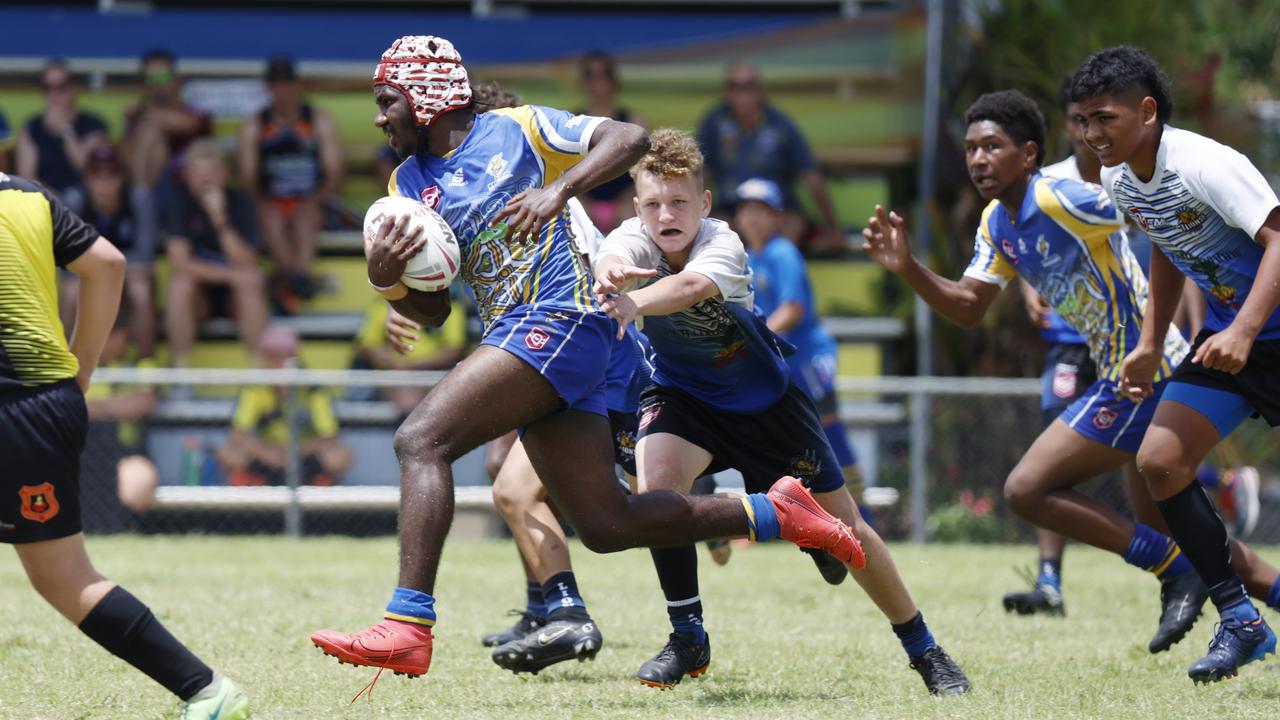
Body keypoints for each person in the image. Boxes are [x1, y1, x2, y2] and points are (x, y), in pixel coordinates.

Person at [309, 35, 862, 682]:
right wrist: (387, 276)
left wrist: (559, 188)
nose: (379, 117)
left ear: (425, 97)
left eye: (387, 101)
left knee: (420, 440)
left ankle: (407, 624)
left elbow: (628, 137)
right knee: (605, 523)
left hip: (565, 316)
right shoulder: (406, 183)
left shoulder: (516, 130)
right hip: (522, 333)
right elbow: (434, 311)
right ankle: (780, 513)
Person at [861, 88, 1280, 658]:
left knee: (1028, 488)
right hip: (1123, 371)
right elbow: (968, 305)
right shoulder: (997, 225)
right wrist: (907, 266)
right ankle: (1217, 581)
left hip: (1143, 372)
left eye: (993, 146)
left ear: (1029, 154)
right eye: (971, 149)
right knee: (1185, 530)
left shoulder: (1062, 196)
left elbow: (1147, 221)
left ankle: (1176, 570)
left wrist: (1159, 332)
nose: (979, 159)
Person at [594, 129, 968, 695]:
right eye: (652, 203)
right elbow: (617, 254)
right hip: (681, 397)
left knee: (850, 531)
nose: (665, 214)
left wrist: (632, 301)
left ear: (706, 204)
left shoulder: (725, 244)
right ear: (637, 206)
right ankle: (687, 638)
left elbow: (692, 287)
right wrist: (611, 268)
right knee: (657, 495)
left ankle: (926, 652)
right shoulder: (633, 236)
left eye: (679, 202)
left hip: (764, 403)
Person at [0, 172, 248, 718]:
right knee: (65, 580)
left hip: (17, 410)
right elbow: (109, 264)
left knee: (66, 581)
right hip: (46, 401)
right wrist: (82, 364)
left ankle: (207, 692)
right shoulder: (25, 193)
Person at [1071, 46, 1280, 682]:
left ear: (1147, 111)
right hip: (1227, 342)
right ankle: (1241, 620)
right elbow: (1168, 244)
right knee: (1160, 461)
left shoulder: (1205, 164)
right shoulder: (1119, 178)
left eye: (1104, 118)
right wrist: (1151, 341)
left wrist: (1246, 327)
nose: (1092, 135)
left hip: (1255, 334)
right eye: (1083, 121)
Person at [732, 176, 862, 583]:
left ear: (777, 217)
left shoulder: (782, 251)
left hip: (807, 358)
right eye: (746, 209)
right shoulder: (749, 256)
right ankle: (793, 519)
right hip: (782, 361)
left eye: (760, 210)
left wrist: (755, 339)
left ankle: (862, 519)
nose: (751, 217)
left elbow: (793, 309)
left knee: (828, 435)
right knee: (787, 438)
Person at [696, 60, 842, 254]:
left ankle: (776, 280)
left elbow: (810, 175)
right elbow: (701, 174)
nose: (742, 94)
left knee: (790, 233)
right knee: (717, 232)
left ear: (760, 90)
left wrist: (833, 227)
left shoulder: (780, 125)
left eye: (748, 86)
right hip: (732, 210)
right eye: (735, 87)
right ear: (727, 92)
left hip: (778, 211)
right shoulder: (714, 123)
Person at [237, 56, 344, 313]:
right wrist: (264, 200)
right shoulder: (255, 124)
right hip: (272, 199)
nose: (282, 92)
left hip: (312, 198)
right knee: (270, 215)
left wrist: (317, 199)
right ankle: (299, 281)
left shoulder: (317, 120)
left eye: (287, 85)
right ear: (268, 88)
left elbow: (335, 171)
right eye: (276, 85)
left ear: (298, 86)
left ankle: (288, 283)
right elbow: (247, 175)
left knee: (306, 215)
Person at [163, 138, 269, 371]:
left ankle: (258, 372)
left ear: (223, 173)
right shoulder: (178, 202)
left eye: (211, 172)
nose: (205, 179)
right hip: (199, 297)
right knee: (181, 284)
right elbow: (180, 263)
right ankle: (182, 372)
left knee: (250, 284)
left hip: (235, 298)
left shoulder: (241, 202)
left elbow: (247, 260)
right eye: (198, 172)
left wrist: (219, 219)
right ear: (187, 174)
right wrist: (232, 276)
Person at [217, 324, 352, 487]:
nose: (276, 363)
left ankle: (317, 492)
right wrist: (266, 452)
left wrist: (295, 452)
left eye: (282, 356)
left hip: (304, 457)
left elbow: (329, 436)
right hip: (265, 456)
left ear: (295, 358)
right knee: (228, 454)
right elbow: (237, 433)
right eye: (270, 356)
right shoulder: (255, 389)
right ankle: (251, 492)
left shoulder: (313, 390)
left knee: (340, 456)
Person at [62, 143, 159, 358]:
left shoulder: (139, 198)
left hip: (130, 271)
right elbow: (65, 254)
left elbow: (145, 253)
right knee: (70, 291)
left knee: (141, 290)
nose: (104, 182)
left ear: (122, 176)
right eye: (97, 174)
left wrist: (108, 268)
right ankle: (67, 362)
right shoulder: (74, 200)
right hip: (89, 271)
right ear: (87, 178)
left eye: (111, 174)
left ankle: (147, 359)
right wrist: (103, 269)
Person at [80, 304, 160, 535]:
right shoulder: (76, 366)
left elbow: (141, 404)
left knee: (138, 483)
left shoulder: (142, 366)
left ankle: (121, 529)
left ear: (124, 334)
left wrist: (94, 408)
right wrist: (112, 408)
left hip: (125, 452)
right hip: (79, 452)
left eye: (111, 333)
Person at [350, 293, 467, 416]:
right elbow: (367, 346)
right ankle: (411, 426)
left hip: (433, 374)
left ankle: (408, 427)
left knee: (410, 390)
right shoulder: (384, 303)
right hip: (391, 374)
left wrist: (416, 365)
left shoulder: (449, 305)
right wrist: (396, 364)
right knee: (404, 386)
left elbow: (454, 351)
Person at [121, 48, 212, 190]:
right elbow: (124, 160)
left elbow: (189, 124)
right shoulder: (138, 117)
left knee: (150, 129)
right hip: (148, 185)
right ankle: (141, 199)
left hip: (188, 186)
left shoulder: (194, 110)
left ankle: (141, 200)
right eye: (151, 78)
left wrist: (144, 112)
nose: (157, 83)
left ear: (176, 79)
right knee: (148, 132)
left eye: (162, 77)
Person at [576, 51, 644, 234]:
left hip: (625, 200)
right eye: (590, 75)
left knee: (634, 217)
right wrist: (579, 197)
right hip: (584, 199)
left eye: (603, 74)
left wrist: (630, 196)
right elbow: (561, 170)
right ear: (584, 81)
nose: (597, 81)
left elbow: (645, 169)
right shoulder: (572, 121)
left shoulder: (633, 121)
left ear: (613, 80)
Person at [16, 60, 107, 196]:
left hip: (85, 200)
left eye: (61, 86)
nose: (54, 93)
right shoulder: (32, 128)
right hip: (46, 198)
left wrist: (65, 130)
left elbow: (88, 169)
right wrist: (53, 199)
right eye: (48, 87)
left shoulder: (93, 125)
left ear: (73, 88)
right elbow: (27, 177)